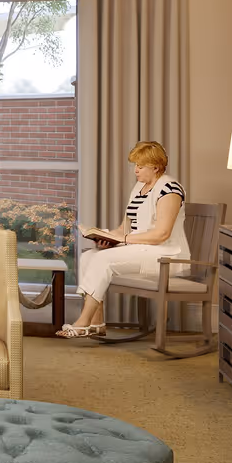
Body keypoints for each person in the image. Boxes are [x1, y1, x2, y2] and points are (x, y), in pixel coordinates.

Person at [60, 140, 188, 338]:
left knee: (102, 260)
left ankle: (82, 321)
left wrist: (125, 240)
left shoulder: (170, 189)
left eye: (140, 166)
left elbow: (162, 234)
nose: (135, 170)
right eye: (135, 165)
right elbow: (124, 229)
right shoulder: (139, 187)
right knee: (89, 256)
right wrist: (109, 238)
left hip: (165, 255)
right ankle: (97, 322)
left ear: (155, 167)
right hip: (140, 249)